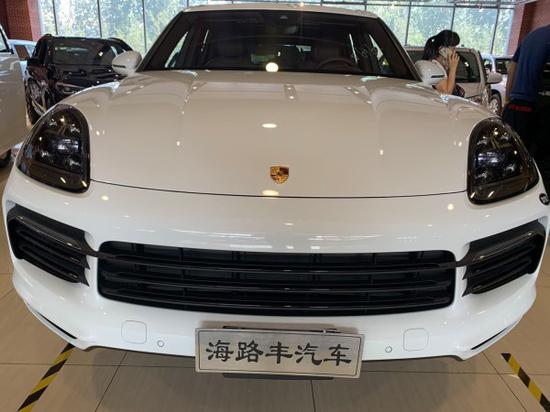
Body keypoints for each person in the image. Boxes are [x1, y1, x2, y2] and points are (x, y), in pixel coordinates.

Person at [503, 24, 550, 189]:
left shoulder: (532, 36)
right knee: (543, 168)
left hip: (516, 108)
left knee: (510, 161)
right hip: (542, 111)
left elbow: (512, 70)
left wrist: (508, 100)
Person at [422, 30, 463, 96]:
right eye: (452, 48)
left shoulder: (436, 65)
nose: (454, 51)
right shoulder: (435, 68)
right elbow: (447, 94)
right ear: (442, 49)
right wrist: (453, 68)